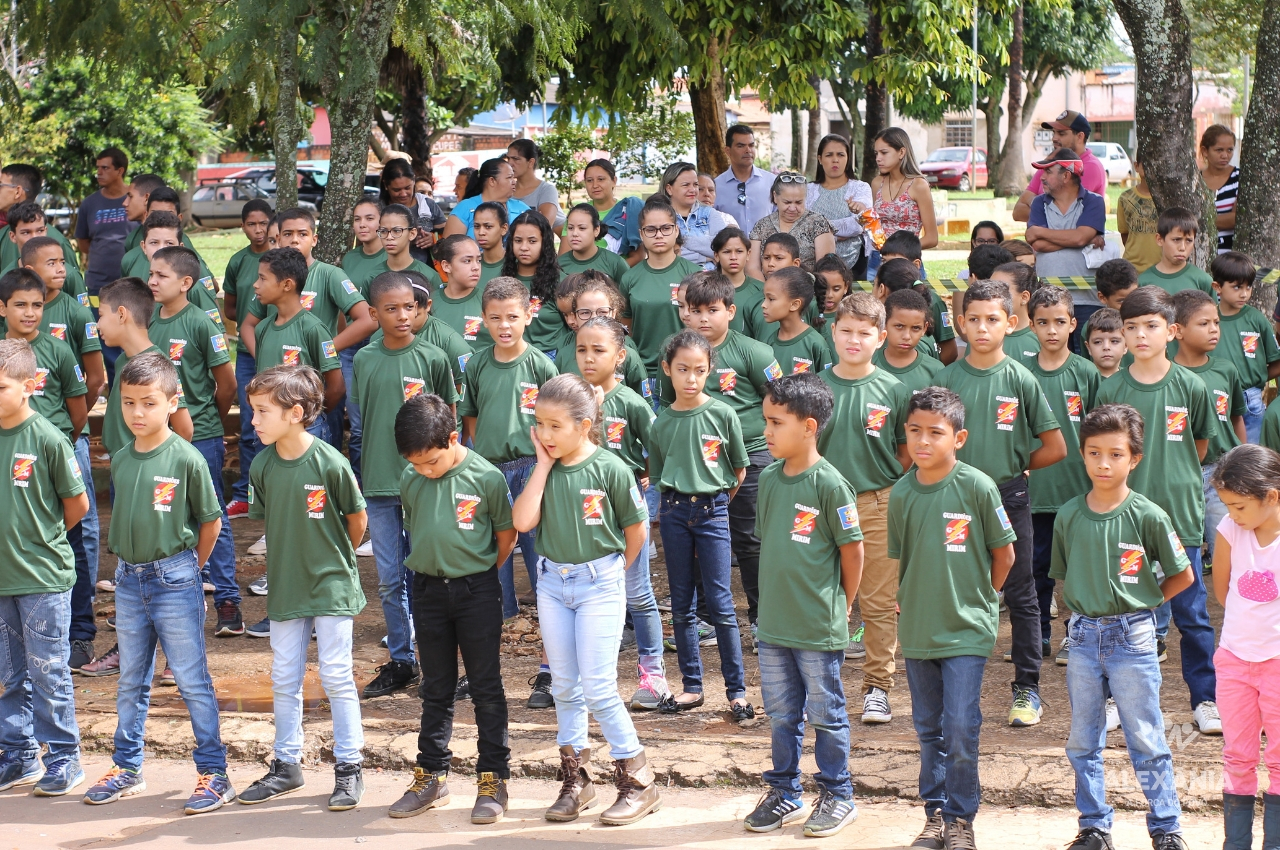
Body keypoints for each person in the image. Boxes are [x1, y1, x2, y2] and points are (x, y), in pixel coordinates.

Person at [83, 352, 234, 814]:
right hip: (128, 580)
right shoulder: (124, 458)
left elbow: (211, 523)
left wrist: (190, 571)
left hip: (175, 579)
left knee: (191, 680)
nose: (137, 413)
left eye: (149, 402)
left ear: (172, 402)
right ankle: (127, 766)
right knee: (131, 680)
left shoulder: (187, 458)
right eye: (128, 403)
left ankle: (214, 773)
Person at [511, 374, 660, 826]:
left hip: (599, 583)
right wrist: (539, 465)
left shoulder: (611, 468)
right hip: (553, 584)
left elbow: (637, 531)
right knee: (563, 686)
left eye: (556, 426)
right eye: (540, 424)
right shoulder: (543, 467)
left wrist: (609, 572)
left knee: (597, 687)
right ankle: (577, 780)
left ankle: (638, 780)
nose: (546, 435)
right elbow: (522, 521)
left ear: (585, 423)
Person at [1053, 404, 1193, 850]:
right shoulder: (1069, 514)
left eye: (1115, 454)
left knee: (1147, 738)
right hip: (1082, 639)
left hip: (1132, 639)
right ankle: (1094, 827)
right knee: (1083, 739)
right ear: (1082, 454)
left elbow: (1182, 574)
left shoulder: (1148, 514)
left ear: (1134, 458)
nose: (1104, 463)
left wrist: (1142, 607)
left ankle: (1167, 829)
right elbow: (1062, 573)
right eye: (1094, 453)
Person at [235, 365, 367, 812]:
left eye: (261, 412)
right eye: (253, 411)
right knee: (284, 677)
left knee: (335, 675)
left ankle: (349, 766)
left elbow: (357, 519)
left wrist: (332, 563)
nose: (253, 421)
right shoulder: (263, 465)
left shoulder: (330, 461)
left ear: (294, 413)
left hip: (330, 585)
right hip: (286, 588)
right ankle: (286, 765)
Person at [936, 279, 1067, 727]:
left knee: (1021, 591)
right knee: (956, 589)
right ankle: (955, 686)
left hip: (1008, 496)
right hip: (954, 497)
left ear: (1011, 324)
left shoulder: (1020, 378)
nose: (982, 327)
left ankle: (1027, 688)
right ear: (960, 323)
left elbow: (1055, 446)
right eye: (973, 319)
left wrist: (1015, 463)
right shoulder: (947, 378)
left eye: (992, 319)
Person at [890, 387, 1016, 850]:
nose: (923, 441)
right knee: (928, 728)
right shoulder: (901, 493)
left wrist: (985, 596)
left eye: (936, 433)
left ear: (958, 438)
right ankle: (934, 816)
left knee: (961, 726)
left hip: (966, 628)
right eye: (915, 431)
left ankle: (961, 820)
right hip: (920, 629)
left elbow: (1005, 554)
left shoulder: (977, 486)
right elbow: (904, 560)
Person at [1094, 286, 1222, 734]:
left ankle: (1205, 699)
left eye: (1150, 326)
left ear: (1170, 331)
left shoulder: (1192, 386)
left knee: (1192, 614)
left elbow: (1199, 448)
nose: (1140, 335)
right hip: (1126, 521)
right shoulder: (1111, 388)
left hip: (1180, 520)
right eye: (1131, 328)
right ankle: (1115, 698)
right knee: (1124, 612)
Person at [743, 373, 863, 838]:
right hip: (774, 625)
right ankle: (785, 791)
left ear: (809, 426)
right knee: (781, 713)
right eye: (766, 421)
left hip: (817, 627)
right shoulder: (769, 478)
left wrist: (843, 607)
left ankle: (838, 794)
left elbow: (853, 551)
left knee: (826, 713)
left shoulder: (832, 485)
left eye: (776, 422)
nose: (767, 431)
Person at [387, 393, 517, 822]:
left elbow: (505, 538)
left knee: (485, 687)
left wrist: (473, 575)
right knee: (435, 688)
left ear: (453, 438)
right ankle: (431, 776)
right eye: (416, 464)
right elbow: (417, 527)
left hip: (476, 591)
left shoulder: (486, 477)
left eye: (431, 462)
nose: (424, 471)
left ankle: (493, 778)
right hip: (426, 590)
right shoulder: (411, 478)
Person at [352, 272, 457, 699]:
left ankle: (436, 661)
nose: (402, 316)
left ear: (418, 309)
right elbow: (363, 422)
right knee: (391, 578)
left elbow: (449, 420)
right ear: (374, 314)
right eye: (391, 309)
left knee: (429, 575)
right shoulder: (364, 359)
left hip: (427, 481)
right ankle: (401, 660)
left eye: (409, 307)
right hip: (379, 484)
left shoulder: (434, 357)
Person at [649, 330, 754, 721]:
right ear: (667, 370)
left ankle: (737, 691)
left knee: (722, 603)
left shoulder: (723, 414)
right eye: (682, 370)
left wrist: (716, 504)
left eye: (698, 370)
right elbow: (659, 473)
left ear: (710, 370)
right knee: (681, 602)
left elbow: (739, 469)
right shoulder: (661, 422)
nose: (691, 378)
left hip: (713, 511)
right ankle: (692, 686)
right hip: (675, 513)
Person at [0, 337, 89, 798]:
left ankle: (64, 760)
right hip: (3, 579)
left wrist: (40, 538)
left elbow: (76, 505)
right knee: (8, 674)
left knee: (48, 670)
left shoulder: (48, 438)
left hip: (42, 578)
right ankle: (17, 757)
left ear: (29, 386)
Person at [816, 293, 911, 725]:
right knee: (822, 597)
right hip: (821, 505)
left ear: (881, 337)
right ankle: (821, 685)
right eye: (847, 331)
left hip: (877, 503)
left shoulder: (893, 390)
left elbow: (905, 453)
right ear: (833, 332)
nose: (854, 340)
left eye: (865, 333)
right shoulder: (815, 387)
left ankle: (877, 687)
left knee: (877, 601)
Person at [677, 273, 783, 651]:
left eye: (713, 310)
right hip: (698, 461)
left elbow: (777, 402)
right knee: (700, 539)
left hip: (751, 455)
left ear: (731, 311)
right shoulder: (676, 353)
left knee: (749, 540)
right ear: (684, 314)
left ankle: (762, 620)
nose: (704, 318)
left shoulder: (754, 352)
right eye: (695, 311)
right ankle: (705, 620)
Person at [0, 268, 94, 667]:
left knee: (75, 542)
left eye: (37, 305)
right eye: (20, 305)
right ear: (2, 308)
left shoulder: (57, 349)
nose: (29, 313)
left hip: (56, 455)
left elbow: (77, 409)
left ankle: (81, 632)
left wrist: (61, 447)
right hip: (9, 456)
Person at [146, 247, 241, 638]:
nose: (152, 281)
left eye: (161, 275)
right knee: (164, 512)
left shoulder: (201, 323)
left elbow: (228, 384)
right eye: (151, 274)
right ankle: (161, 598)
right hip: (157, 438)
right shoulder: (149, 322)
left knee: (210, 513)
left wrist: (210, 424)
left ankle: (228, 601)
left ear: (186, 283)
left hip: (200, 435)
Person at [572, 316, 667, 708]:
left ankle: (653, 674)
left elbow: (657, 449)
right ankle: (589, 676)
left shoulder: (631, 403)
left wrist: (644, 482)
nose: (589, 358)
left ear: (621, 356)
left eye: (599, 350)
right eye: (582, 349)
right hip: (581, 510)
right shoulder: (571, 398)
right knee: (586, 590)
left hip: (625, 511)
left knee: (637, 592)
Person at [458, 277, 557, 647]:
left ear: (528, 316)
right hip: (490, 469)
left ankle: (549, 614)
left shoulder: (541, 366)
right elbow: (471, 416)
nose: (504, 325)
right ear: (484, 319)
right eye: (496, 318)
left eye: (513, 317)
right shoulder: (477, 365)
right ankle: (503, 615)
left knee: (535, 544)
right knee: (495, 542)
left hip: (532, 465)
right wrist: (480, 456)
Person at [17, 235, 103, 621]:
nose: (61, 269)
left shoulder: (73, 317)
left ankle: (80, 625)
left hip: (66, 442)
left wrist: (66, 437)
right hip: (13, 448)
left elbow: (88, 385)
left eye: (63, 261)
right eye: (50, 262)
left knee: (78, 530)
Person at [241, 208, 377, 449]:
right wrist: (267, 358)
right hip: (273, 405)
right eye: (288, 234)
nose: (294, 239)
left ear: (314, 239)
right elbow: (249, 325)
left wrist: (322, 349)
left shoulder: (329, 274)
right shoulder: (269, 281)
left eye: (302, 234)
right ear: (277, 239)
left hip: (314, 394)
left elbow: (367, 319)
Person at [1025, 286, 1101, 666]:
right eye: (1042, 323)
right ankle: (1036, 636)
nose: (1051, 330)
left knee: (1078, 568)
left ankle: (1076, 633)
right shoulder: (1020, 374)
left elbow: (1101, 431)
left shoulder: (1086, 373)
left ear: (1073, 324)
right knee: (1036, 567)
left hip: (1078, 489)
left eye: (1059, 322)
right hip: (1036, 490)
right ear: (1030, 325)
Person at [1209, 444, 1280, 850]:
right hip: (1235, 660)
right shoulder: (1230, 530)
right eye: (1227, 506)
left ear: (1270, 496)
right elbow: (1223, 590)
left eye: (1238, 506)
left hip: (1277, 664)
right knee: (1237, 755)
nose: (1232, 514)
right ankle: (1235, 844)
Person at [1171, 288, 1246, 564]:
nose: (1214, 329)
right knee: (1179, 555)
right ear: (1177, 330)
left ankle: (1235, 606)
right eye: (1203, 324)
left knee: (1228, 549)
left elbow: (1237, 417)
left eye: (1216, 322)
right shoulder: (1167, 374)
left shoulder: (1226, 369)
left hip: (1222, 471)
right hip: (1179, 474)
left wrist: (1241, 459)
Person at [224, 199, 274, 519]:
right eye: (251, 224)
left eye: (262, 223)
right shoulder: (237, 261)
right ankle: (245, 493)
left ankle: (273, 494)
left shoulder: (277, 261)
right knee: (248, 425)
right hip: (247, 353)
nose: (257, 230)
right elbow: (231, 308)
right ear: (242, 227)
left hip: (278, 353)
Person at [619, 199, 703, 387]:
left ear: (676, 230)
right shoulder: (630, 278)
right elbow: (626, 329)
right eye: (651, 229)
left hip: (686, 371)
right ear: (641, 234)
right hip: (643, 373)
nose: (658, 235)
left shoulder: (695, 274)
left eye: (665, 228)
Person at [1212, 251, 1280, 443]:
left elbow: (1277, 361)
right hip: (1216, 397)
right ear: (1217, 287)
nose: (1244, 293)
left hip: (1251, 399)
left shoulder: (1256, 319)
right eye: (1237, 287)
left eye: (1249, 287)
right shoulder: (1208, 321)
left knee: (1251, 458)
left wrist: (1257, 379)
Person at [121, 211, 223, 331]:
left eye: (169, 243)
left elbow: (219, 339)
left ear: (181, 247)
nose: (161, 249)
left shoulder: (194, 288)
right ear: (144, 247)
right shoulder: (135, 283)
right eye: (154, 243)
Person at [555, 273, 647, 399]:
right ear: (575, 316)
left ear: (614, 313)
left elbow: (643, 403)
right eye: (585, 312)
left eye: (602, 312)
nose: (594, 318)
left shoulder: (629, 354)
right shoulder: (563, 353)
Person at [866, 128, 938, 278]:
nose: (878, 158)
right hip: (877, 260)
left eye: (884, 153)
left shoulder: (918, 185)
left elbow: (932, 238)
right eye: (876, 153)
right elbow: (875, 225)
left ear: (901, 152)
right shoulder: (877, 183)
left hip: (907, 263)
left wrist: (900, 251)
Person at [1024, 149, 1106, 280]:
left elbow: (1079, 238)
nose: (1041, 177)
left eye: (1048, 171)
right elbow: (1038, 245)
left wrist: (1039, 232)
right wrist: (1086, 241)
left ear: (1066, 176)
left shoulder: (1094, 201)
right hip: (1048, 296)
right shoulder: (1039, 203)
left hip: (1087, 296)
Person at [1013, 111, 1108, 222]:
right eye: (1054, 133)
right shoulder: (1050, 163)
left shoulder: (1090, 167)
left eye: (1061, 134)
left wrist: (1033, 202)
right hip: (1040, 238)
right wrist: (1043, 207)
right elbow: (1017, 212)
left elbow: (1064, 216)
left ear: (1080, 137)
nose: (1054, 138)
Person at [878, 230, 956, 364]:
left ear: (916, 265)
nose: (888, 268)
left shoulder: (933, 301)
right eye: (884, 261)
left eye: (897, 262)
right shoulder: (880, 298)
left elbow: (949, 349)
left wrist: (931, 371)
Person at [502, 210, 568, 358]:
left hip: (551, 357)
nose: (524, 247)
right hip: (509, 355)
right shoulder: (503, 280)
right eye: (518, 241)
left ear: (545, 243)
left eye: (532, 241)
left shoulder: (561, 282)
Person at [75, 147, 136, 299]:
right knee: (99, 322)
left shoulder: (136, 199)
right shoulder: (89, 203)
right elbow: (83, 243)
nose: (99, 173)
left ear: (120, 171)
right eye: (98, 168)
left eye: (105, 168)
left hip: (133, 282)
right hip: (98, 284)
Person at [807, 134, 873, 275]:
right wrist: (838, 233)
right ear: (820, 159)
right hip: (813, 266)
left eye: (841, 155)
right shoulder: (808, 190)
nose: (835, 160)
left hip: (854, 265)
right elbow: (802, 225)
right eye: (829, 155)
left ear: (848, 158)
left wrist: (820, 233)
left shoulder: (860, 188)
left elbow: (858, 225)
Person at [747, 173, 835, 275]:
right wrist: (767, 289)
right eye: (787, 202)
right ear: (775, 197)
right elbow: (752, 268)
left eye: (798, 202)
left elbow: (826, 268)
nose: (792, 208)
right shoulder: (762, 226)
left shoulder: (818, 223)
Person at [2, 203, 87, 299]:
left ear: (46, 230)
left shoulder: (68, 275)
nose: (34, 237)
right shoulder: (5, 277)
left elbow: (83, 312)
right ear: (13, 236)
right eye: (26, 232)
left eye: (40, 231)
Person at [660, 161, 732, 269]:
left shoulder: (710, 213)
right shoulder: (660, 216)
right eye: (686, 185)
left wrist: (682, 241)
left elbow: (726, 248)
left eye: (695, 184)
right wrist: (705, 257)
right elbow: (663, 255)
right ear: (669, 189)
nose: (693, 190)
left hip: (711, 281)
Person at [873, 289, 945, 395]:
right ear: (884, 324)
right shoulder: (868, 363)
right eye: (899, 326)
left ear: (924, 329)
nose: (906, 336)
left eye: (915, 328)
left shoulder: (936, 370)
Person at [762, 267, 831, 374]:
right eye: (764, 298)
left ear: (794, 304)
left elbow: (826, 384)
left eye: (771, 299)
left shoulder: (816, 344)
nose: (763, 305)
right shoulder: (768, 343)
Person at [443, 157, 528, 240]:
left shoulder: (522, 208)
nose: (514, 182)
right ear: (492, 181)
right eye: (509, 177)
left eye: (514, 177)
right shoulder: (464, 208)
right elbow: (450, 249)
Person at [380, 159, 446, 263]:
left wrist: (433, 239)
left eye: (407, 188)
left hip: (424, 270)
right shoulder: (378, 209)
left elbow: (448, 236)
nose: (403, 194)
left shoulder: (427, 205)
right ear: (386, 186)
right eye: (397, 190)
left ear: (414, 181)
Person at [581, 159, 645, 265]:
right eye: (589, 180)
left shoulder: (629, 209)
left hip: (620, 276)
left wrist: (608, 273)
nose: (595, 185)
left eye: (601, 179)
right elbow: (565, 254)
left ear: (614, 181)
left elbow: (638, 256)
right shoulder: (578, 214)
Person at [1137, 207, 1214, 295]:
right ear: (1159, 239)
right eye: (1176, 240)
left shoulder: (1203, 281)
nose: (1182, 247)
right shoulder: (1143, 282)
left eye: (1189, 240)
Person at [714, 125, 775, 233]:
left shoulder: (772, 182)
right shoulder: (716, 186)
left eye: (751, 145)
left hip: (766, 249)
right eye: (741, 146)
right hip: (731, 249)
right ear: (728, 151)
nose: (748, 150)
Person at [431, 234, 489, 348]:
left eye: (478, 260)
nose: (476, 267)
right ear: (446, 266)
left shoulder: (489, 302)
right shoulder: (430, 303)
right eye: (467, 261)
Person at [712, 228, 766, 339]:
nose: (733, 257)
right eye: (727, 252)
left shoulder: (761, 291)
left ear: (748, 254)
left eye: (739, 251)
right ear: (716, 256)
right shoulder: (705, 289)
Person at [558, 204, 632, 282]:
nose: (574, 233)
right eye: (570, 228)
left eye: (582, 228)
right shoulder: (559, 264)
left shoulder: (615, 263)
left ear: (596, 230)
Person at [989, 262, 1041, 360]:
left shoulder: (1043, 338)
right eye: (989, 289)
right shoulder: (982, 334)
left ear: (1024, 297)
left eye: (1002, 290)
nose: (991, 296)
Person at [1199, 124, 1239, 254]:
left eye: (1229, 150)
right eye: (1219, 150)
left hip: (1231, 258)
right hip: (1199, 255)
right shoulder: (1195, 181)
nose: (1225, 155)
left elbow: (1237, 219)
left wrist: (1199, 221)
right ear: (1205, 151)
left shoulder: (1240, 178)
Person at [507, 139, 564, 230]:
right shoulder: (506, 190)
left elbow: (544, 228)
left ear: (531, 162)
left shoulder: (546, 190)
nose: (510, 163)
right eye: (508, 158)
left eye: (516, 159)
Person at [1117, 159, 1160, 273]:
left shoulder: (1167, 199)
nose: (1150, 168)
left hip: (1162, 268)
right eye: (1146, 164)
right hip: (1133, 268)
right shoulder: (1125, 198)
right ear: (1136, 166)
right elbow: (1124, 234)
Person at [341, 197, 386, 296]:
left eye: (369, 219)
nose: (362, 224)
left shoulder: (392, 256)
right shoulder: (349, 258)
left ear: (382, 222)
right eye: (357, 219)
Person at [474, 202, 509, 286]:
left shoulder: (517, 264)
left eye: (488, 226)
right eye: (477, 226)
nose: (481, 232)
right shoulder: (470, 265)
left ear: (504, 228)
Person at [1084, 308, 1124, 380]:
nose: (1106, 347)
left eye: (1114, 341)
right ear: (1088, 347)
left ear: (1126, 346)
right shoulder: (1081, 380)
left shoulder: (1135, 379)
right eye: (1098, 342)